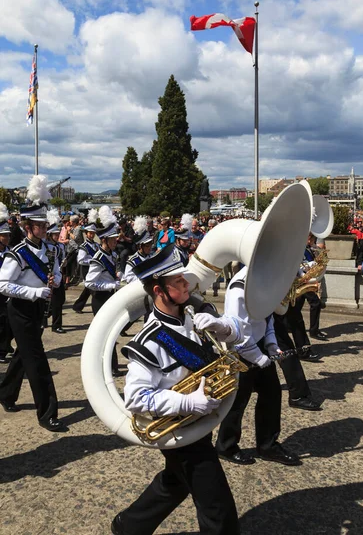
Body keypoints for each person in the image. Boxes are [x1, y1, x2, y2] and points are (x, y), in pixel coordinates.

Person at [112, 244, 244, 535]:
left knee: (175, 483)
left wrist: (223, 327)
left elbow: (240, 334)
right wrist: (187, 403)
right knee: (217, 507)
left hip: (199, 422)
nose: (187, 284)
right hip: (180, 430)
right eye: (179, 282)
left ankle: (129, 526)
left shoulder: (193, 313)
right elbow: (135, 398)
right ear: (159, 290)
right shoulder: (148, 340)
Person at [0, 176, 68, 432]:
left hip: (39, 308)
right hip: (20, 310)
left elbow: (58, 275)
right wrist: (35, 293)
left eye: (44, 224)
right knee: (37, 361)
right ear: (28, 227)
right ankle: (47, 413)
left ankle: (5, 394)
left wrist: (55, 280)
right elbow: (3, 284)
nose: (44, 228)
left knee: (23, 355)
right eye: (39, 225)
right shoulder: (16, 254)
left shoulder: (50, 251)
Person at [215, 266, 302, 467]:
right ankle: (226, 446)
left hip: (259, 345)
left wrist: (271, 344)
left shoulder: (263, 282)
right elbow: (239, 335)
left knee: (272, 394)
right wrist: (258, 357)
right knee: (237, 401)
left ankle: (268, 445)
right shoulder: (240, 287)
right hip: (242, 350)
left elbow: (267, 318)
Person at [85, 206, 121, 377]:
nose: (116, 242)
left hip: (109, 298)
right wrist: (110, 286)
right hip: (100, 299)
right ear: (105, 240)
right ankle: (107, 367)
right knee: (105, 336)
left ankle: (112, 366)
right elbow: (90, 283)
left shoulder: (112, 255)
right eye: (113, 239)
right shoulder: (97, 259)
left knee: (111, 335)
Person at [72, 210, 99, 314]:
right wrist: (92, 261)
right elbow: (81, 260)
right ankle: (97, 310)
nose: (92, 235)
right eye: (90, 233)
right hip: (87, 269)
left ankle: (77, 306)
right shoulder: (84, 246)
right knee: (93, 291)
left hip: (93, 269)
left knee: (88, 290)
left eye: (93, 233)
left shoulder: (96, 245)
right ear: (86, 234)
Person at [46, 210, 67, 334]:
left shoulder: (61, 246)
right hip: (51, 276)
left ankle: (52, 317)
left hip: (59, 275)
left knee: (60, 300)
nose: (57, 235)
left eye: (58, 233)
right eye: (54, 234)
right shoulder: (47, 246)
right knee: (54, 301)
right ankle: (56, 325)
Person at [0, 204, 14, 363]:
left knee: (9, 321)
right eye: (4, 235)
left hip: (7, 290)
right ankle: (1, 351)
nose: (7, 238)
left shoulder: (9, 251)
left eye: (8, 235)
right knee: (2, 321)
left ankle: (5, 344)